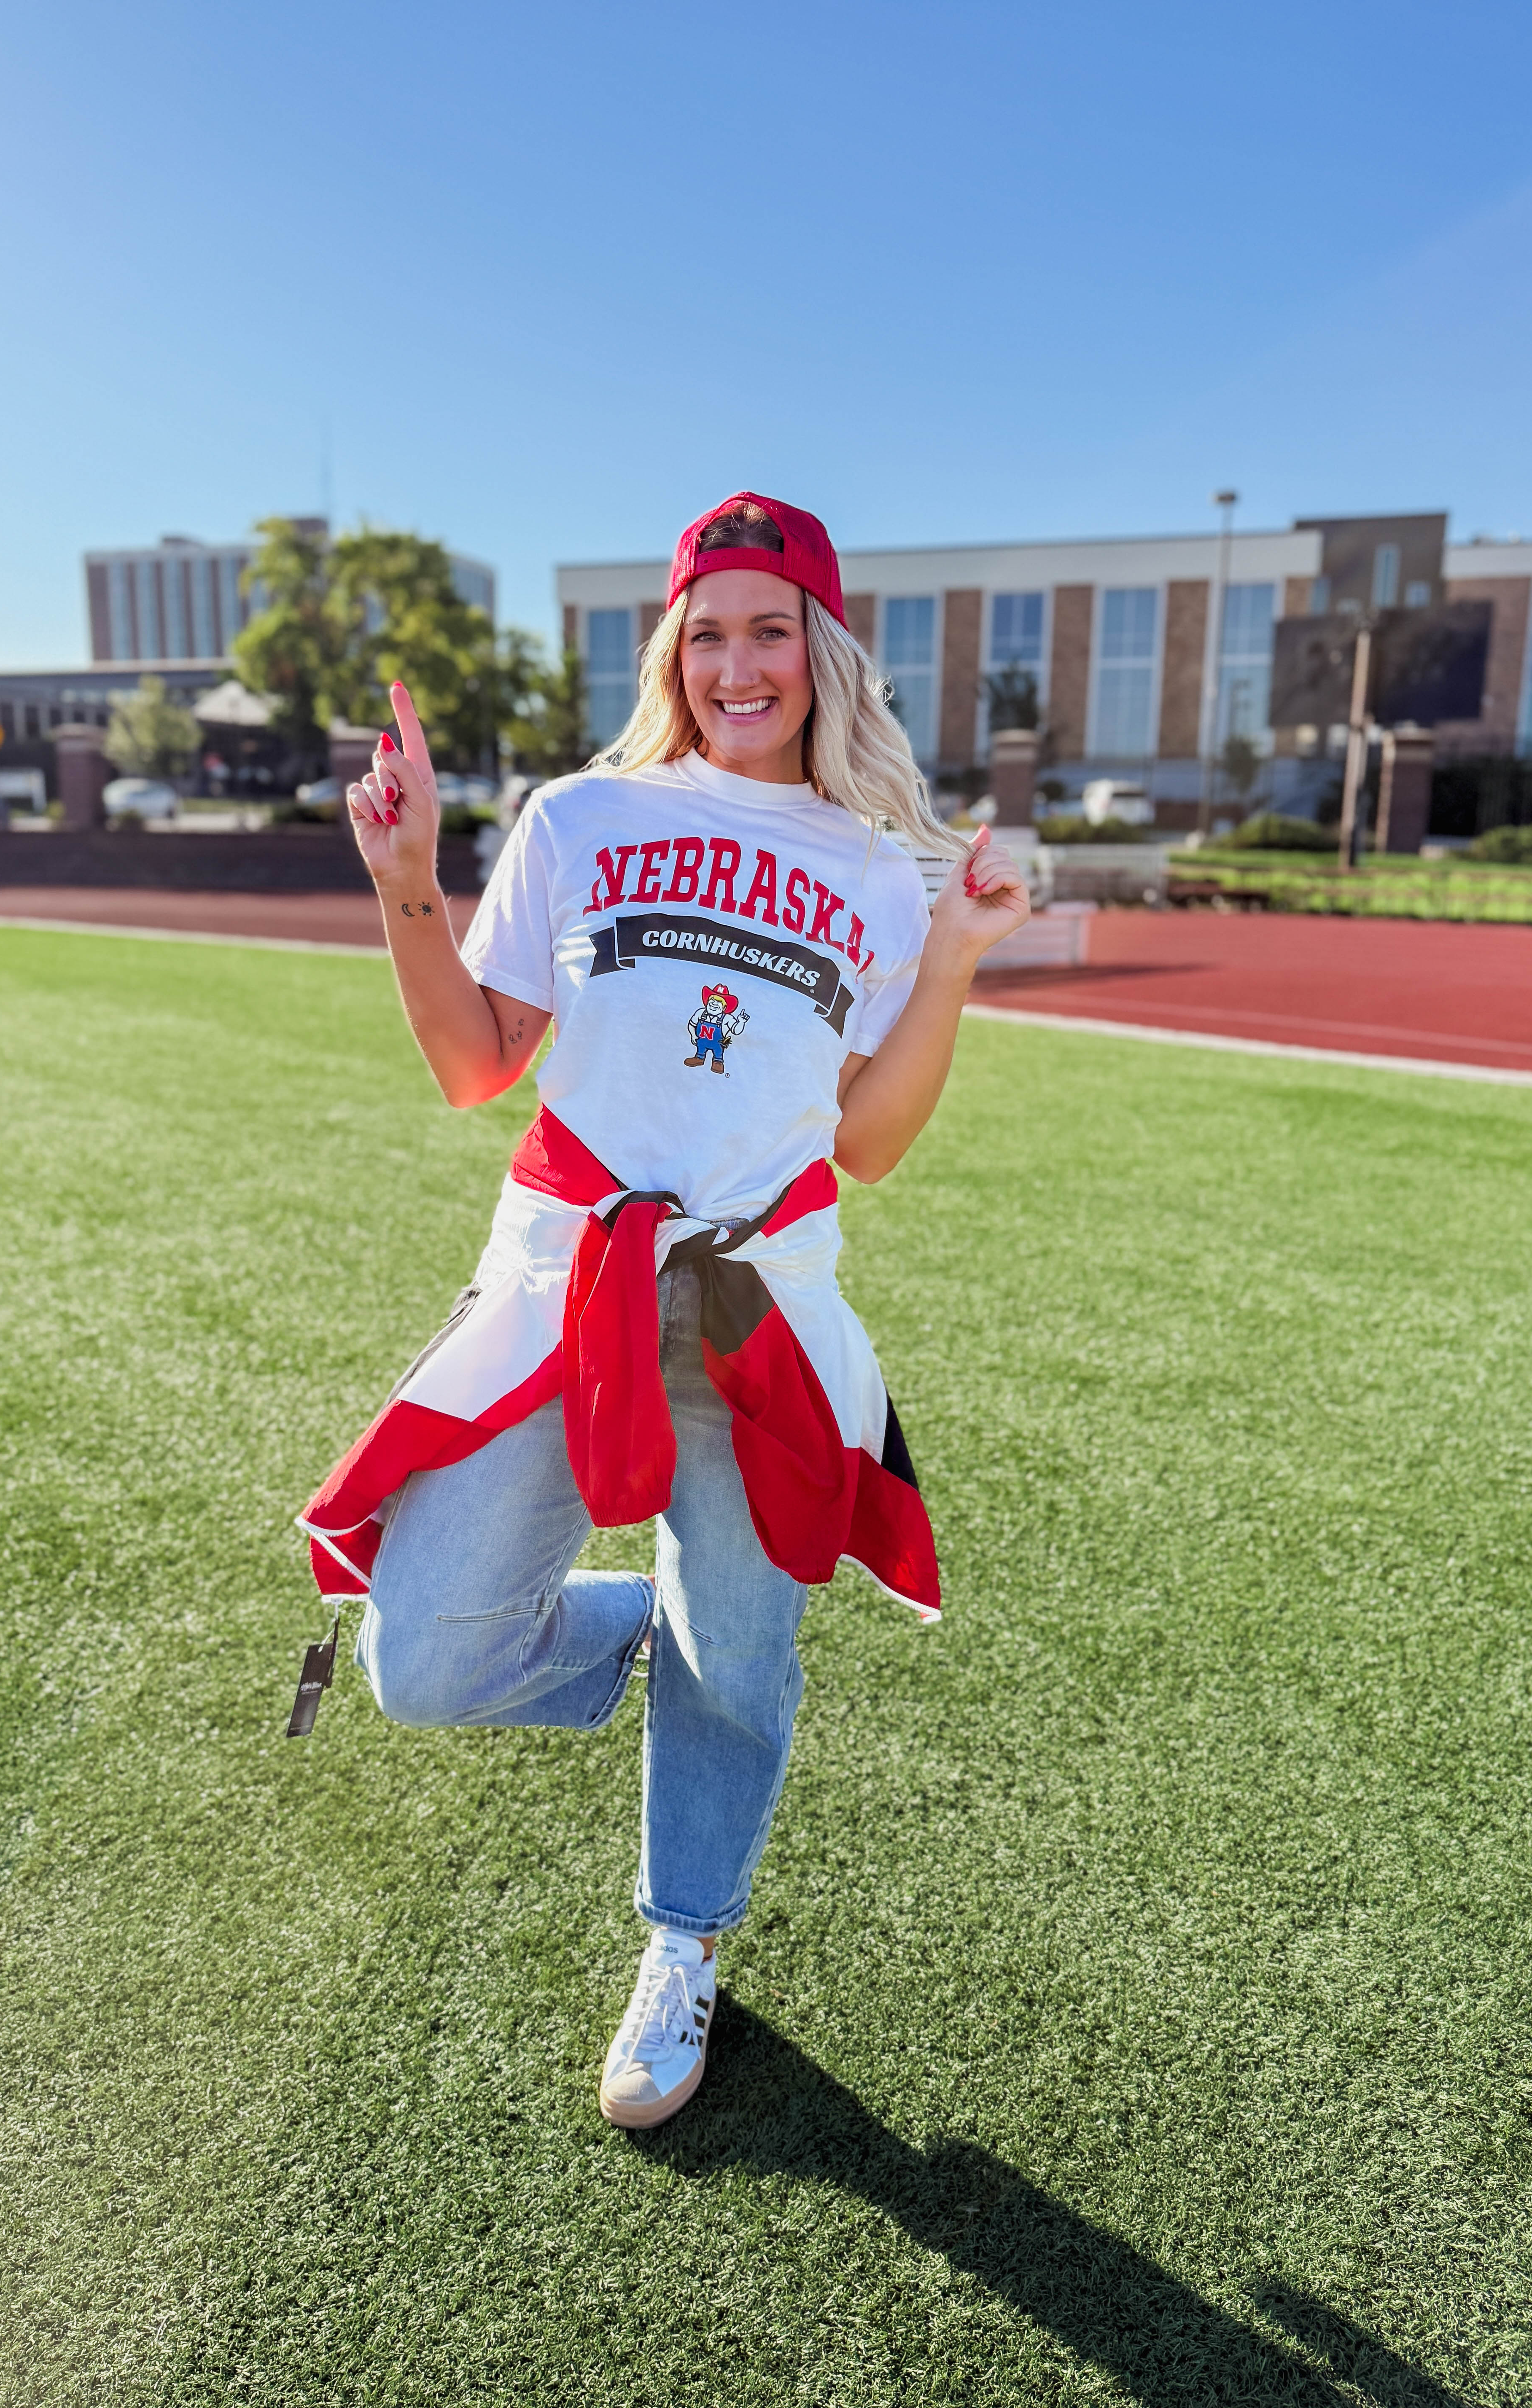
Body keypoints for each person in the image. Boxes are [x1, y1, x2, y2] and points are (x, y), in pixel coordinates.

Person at [302, 493, 1029, 2128]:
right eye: (707, 633)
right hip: (568, 1280)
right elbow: (473, 1064)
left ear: (823, 653)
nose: (736, 665)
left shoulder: (883, 873)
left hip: (759, 1300)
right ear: (670, 653)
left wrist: (955, 961)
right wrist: (407, 880)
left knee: (743, 1656)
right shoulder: (580, 816)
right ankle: (651, 1623)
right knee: (425, 1660)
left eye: (770, 630)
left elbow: (869, 1144)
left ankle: (683, 1941)